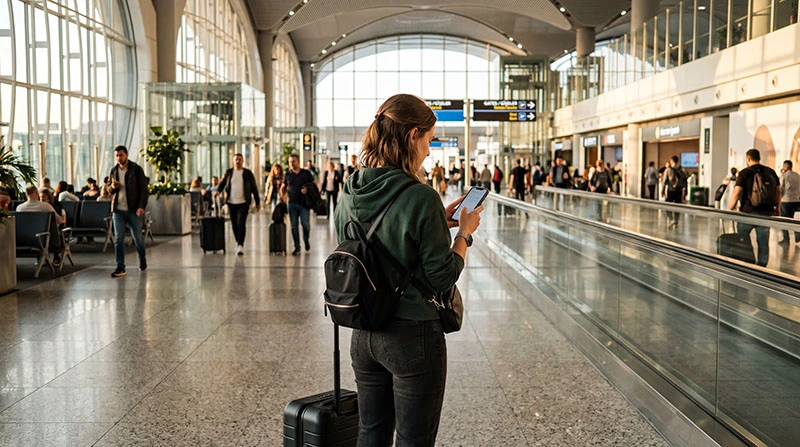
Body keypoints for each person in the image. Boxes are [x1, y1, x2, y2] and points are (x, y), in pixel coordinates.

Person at [334, 94, 483, 446]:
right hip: (412, 336)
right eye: (429, 140)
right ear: (413, 134)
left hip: (364, 332)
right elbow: (442, 276)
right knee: (414, 440)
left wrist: (437, 220)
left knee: (371, 434)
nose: (429, 150)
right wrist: (463, 233)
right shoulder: (420, 194)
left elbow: (370, 246)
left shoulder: (351, 188)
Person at [729, 149, 781, 267]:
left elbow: (737, 192)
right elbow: (778, 191)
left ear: (748, 159)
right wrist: (777, 207)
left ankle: (746, 264)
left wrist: (730, 208)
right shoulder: (770, 172)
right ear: (759, 157)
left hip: (747, 213)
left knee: (743, 240)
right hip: (765, 213)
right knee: (763, 243)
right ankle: (761, 268)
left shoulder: (744, 173)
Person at [108, 145, 149, 277]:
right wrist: (112, 187)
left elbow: (144, 190)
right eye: (117, 156)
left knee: (137, 237)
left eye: (121, 155)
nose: (119, 158)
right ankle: (120, 267)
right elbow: (109, 190)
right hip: (118, 209)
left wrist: (141, 206)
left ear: (126, 155)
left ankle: (142, 258)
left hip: (133, 209)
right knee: (118, 238)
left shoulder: (136, 170)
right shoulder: (113, 171)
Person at [216, 153, 260, 256]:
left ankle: (241, 245)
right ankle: (237, 242)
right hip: (231, 202)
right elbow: (222, 183)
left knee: (241, 222)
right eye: (236, 159)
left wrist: (257, 202)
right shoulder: (229, 173)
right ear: (233, 161)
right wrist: (218, 191)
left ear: (243, 161)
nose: (238, 161)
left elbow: (254, 188)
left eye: (240, 159)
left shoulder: (247, 173)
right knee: (234, 224)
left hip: (244, 202)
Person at [281, 154, 315, 255]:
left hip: (304, 204)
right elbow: (283, 186)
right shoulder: (287, 174)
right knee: (294, 226)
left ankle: (306, 239)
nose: (291, 164)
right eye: (290, 162)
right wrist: (281, 193)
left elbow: (314, 185)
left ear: (298, 162)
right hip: (291, 204)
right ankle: (297, 246)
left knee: (305, 224)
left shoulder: (306, 173)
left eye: (293, 161)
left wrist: (307, 190)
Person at [662, 155, 687, 228]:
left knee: (668, 206)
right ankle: (676, 221)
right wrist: (686, 190)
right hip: (679, 191)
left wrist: (663, 190)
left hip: (671, 190)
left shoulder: (668, 170)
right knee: (678, 206)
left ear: (671, 161)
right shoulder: (682, 170)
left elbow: (665, 181)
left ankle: (671, 219)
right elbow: (685, 181)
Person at [779, 160, 800, 244]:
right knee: (794, 220)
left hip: (786, 201)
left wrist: (779, 200)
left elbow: (780, 189)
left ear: (785, 167)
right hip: (797, 200)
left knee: (784, 220)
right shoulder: (798, 176)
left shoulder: (784, 176)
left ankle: (786, 239)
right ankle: (797, 234)